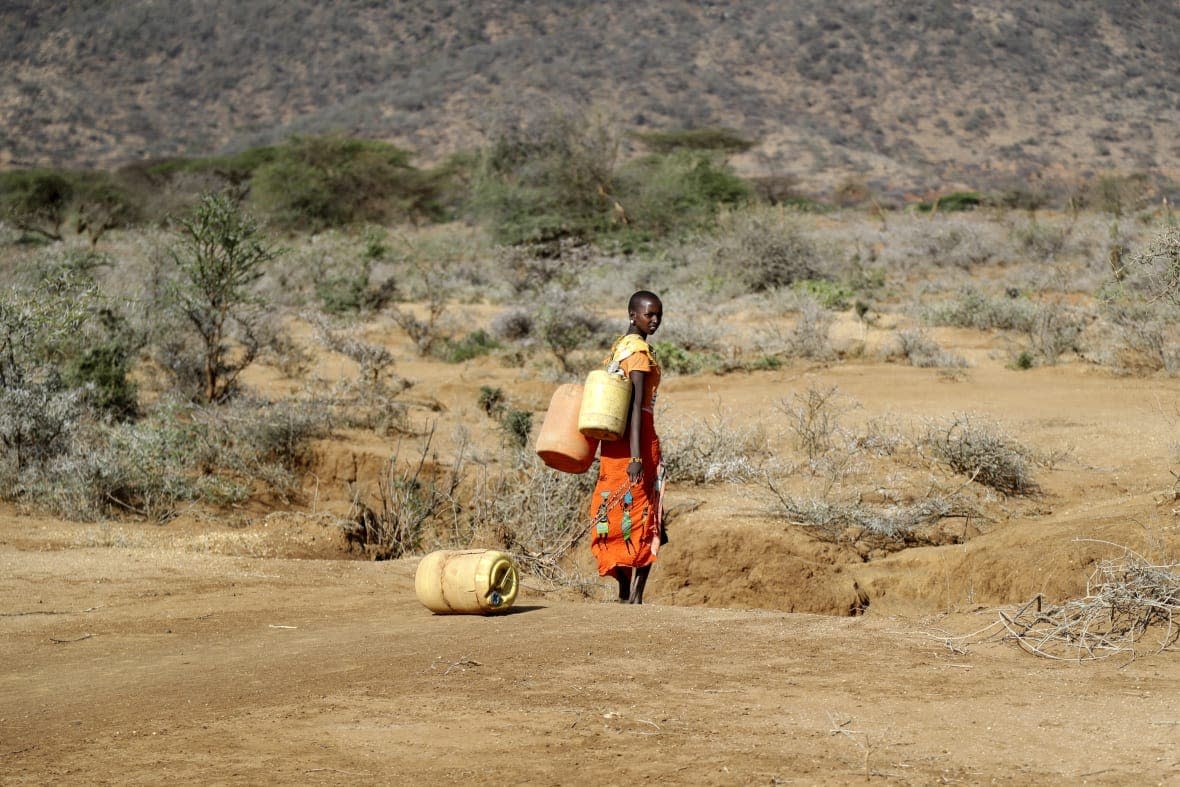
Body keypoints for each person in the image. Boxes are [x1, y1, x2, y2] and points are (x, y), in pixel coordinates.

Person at [588, 290, 666, 604]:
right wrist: (636, 456)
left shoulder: (619, 349)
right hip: (636, 442)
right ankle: (633, 594)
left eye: (659, 314)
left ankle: (626, 592)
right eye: (650, 314)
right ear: (633, 315)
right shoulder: (639, 354)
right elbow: (635, 407)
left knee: (614, 511)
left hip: (613, 444)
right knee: (646, 513)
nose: (656, 320)